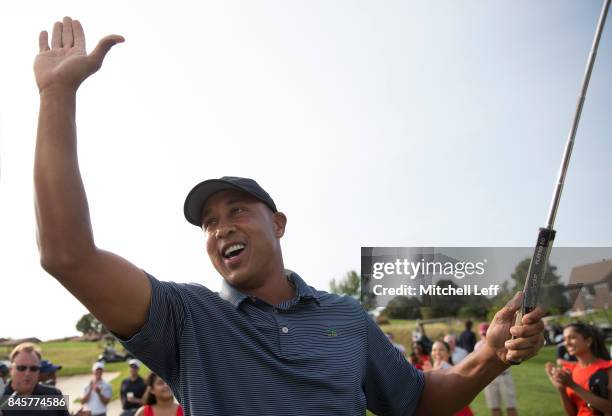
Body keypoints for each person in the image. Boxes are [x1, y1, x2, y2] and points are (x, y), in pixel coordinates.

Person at [33, 16, 546, 415]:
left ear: (277, 224)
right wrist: (57, 95)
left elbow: (414, 401)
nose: (221, 227)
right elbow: (68, 255)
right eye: (209, 222)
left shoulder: (345, 316)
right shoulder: (184, 317)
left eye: (237, 210)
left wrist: (489, 356)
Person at [545, 322, 612, 416]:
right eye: (564, 339)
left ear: (588, 341)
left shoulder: (608, 368)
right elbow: (573, 413)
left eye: (572, 337)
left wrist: (572, 385)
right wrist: (561, 389)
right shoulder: (571, 370)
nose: (566, 343)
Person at [1, 343, 68, 416]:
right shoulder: (2, 397)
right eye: (21, 368)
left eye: (34, 368)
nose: (27, 373)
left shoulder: (53, 394)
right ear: (11, 370)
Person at [475, 323, 519, 416]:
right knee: (494, 407)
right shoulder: (478, 346)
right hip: (489, 379)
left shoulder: (500, 343)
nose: (484, 336)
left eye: (486, 334)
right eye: (483, 334)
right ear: (479, 334)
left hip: (504, 376)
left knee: (510, 406)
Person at [423, 340, 474, 416]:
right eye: (434, 350)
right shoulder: (428, 370)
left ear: (449, 353)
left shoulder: (452, 370)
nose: (437, 352)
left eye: (441, 350)